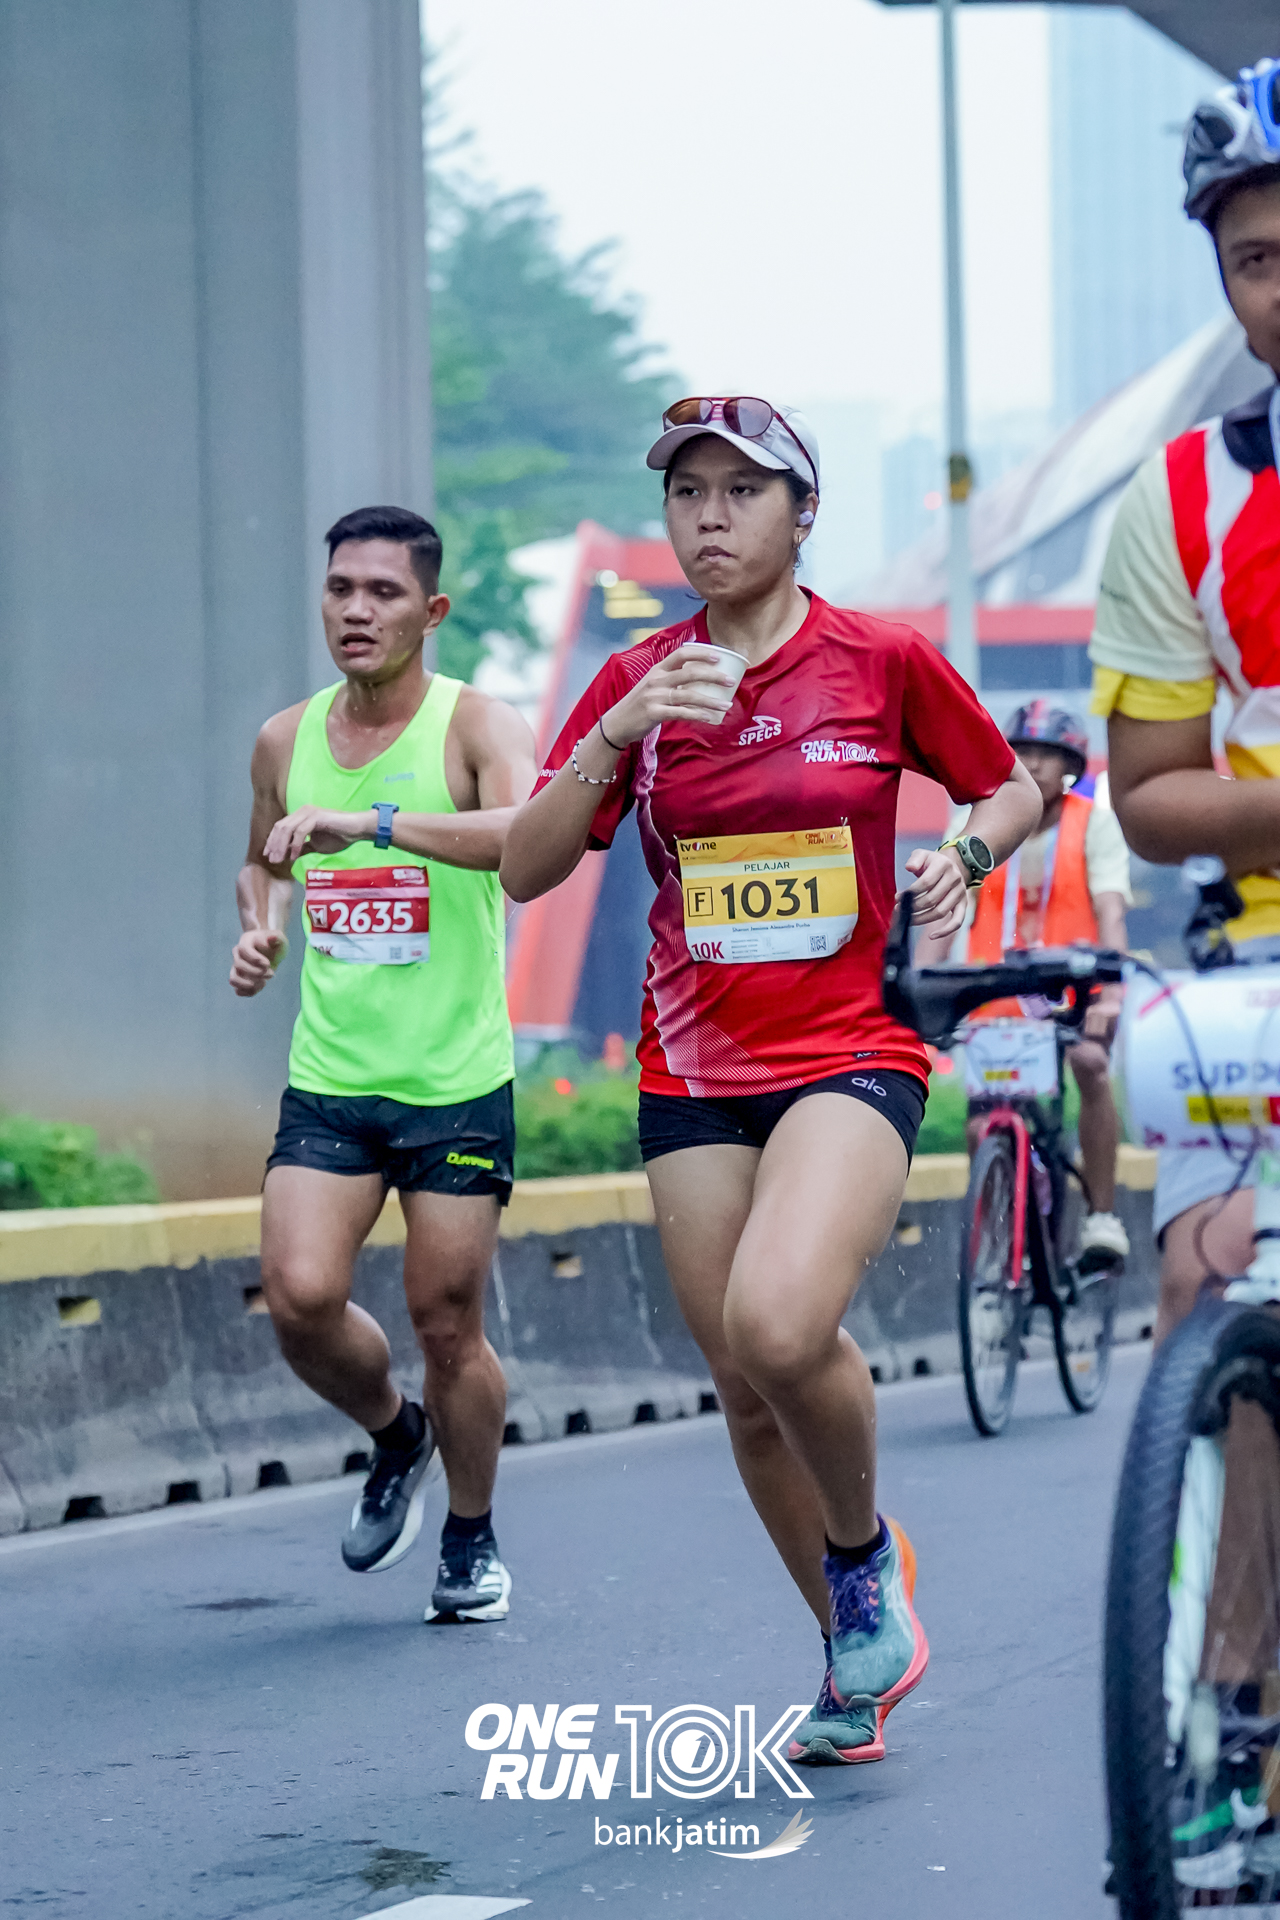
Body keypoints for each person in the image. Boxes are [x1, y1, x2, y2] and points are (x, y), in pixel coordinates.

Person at [500, 397, 1041, 1764]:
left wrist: (965, 856)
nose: (709, 516)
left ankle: (862, 1560)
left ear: (803, 515)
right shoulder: (640, 678)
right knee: (743, 1386)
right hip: (692, 1070)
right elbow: (525, 867)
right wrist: (618, 730)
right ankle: (850, 1654)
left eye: (742, 491)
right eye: (687, 493)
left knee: (780, 1322)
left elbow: (1008, 788)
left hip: (852, 1046)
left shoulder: (880, 658)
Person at [1091, 63, 1280, 1893]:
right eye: (1257, 258)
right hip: (1257, 950)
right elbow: (1151, 796)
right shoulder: (1177, 501)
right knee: (1212, 1293)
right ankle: (1227, 1709)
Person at [229, 505, 536, 1623]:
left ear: (431, 609)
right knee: (300, 1298)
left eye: (384, 593)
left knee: (446, 1322)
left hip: (454, 1080)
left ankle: (471, 1534)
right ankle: (397, 1435)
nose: (356, 611)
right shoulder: (284, 740)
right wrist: (260, 926)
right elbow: (261, 861)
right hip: (332, 1076)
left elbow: (527, 839)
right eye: (340, 590)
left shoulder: (475, 725)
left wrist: (373, 826)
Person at [923, 702, 1132, 1263]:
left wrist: (1112, 993)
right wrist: (923, 982)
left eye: (1047, 754)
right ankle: (996, 1255)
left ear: (1070, 766)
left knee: (1090, 1064)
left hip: (1075, 993)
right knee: (981, 1129)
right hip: (996, 995)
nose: (1034, 763)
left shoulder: (1093, 821)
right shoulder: (976, 824)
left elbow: (1111, 909)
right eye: (1023, 751)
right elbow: (945, 912)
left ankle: (1102, 1217)